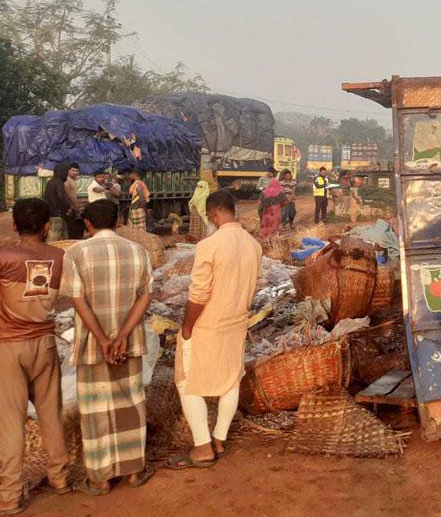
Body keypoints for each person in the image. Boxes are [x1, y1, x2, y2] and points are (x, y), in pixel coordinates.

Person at [61, 199, 153, 495]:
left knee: (96, 409)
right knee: (130, 404)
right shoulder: (138, 251)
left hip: (93, 345)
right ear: (118, 222)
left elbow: (78, 300)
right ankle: (133, 472)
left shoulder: (75, 253)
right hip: (128, 344)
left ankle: (100, 478)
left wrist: (102, 339)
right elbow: (145, 297)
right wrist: (122, 335)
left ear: (87, 224)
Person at [167, 191, 261, 470]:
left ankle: (202, 446)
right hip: (236, 322)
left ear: (213, 214)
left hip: (208, 324)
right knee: (230, 380)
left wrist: (187, 326)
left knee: (188, 382)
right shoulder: (253, 245)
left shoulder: (209, 245)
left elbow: (198, 294)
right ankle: (219, 438)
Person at [0, 199, 71, 514]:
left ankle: (11, 496)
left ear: (15, 225)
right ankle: (60, 479)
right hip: (45, 344)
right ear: (47, 227)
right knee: (51, 416)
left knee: (10, 424)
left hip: (8, 347)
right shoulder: (59, 257)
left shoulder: (4, 256)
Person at [43, 164, 73, 243]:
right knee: (55, 236)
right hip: (57, 213)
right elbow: (60, 197)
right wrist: (69, 206)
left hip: (51, 212)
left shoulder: (50, 182)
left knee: (60, 235)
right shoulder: (59, 182)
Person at [64, 164, 86, 240]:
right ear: (68, 171)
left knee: (77, 230)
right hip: (71, 209)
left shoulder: (73, 180)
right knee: (72, 231)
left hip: (74, 208)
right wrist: (74, 206)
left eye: (77, 171)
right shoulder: (67, 180)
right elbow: (68, 195)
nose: (75, 172)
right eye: (73, 170)